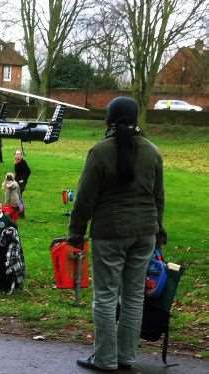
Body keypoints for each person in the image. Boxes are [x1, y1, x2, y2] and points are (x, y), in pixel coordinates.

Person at [69, 97, 166, 372]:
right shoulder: (152, 152)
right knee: (134, 296)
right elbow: (159, 197)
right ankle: (127, 356)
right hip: (145, 231)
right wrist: (160, 230)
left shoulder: (99, 152)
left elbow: (85, 199)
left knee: (106, 296)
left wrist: (76, 232)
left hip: (110, 233)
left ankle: (105, 359)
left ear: (108, 120)